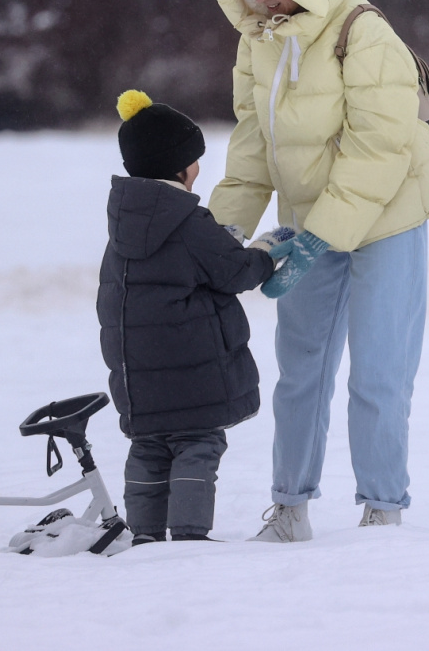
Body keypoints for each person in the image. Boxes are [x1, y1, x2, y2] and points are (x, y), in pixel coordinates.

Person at [201, 0, 429, 541]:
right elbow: (254, 142)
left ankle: (382, 509)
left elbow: (378, 153)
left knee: (379, 373)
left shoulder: (366, 36)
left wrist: (317, 241)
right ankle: (289, 509)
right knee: (300, 370)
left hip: (389, 218)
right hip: (310, 216)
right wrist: (221, 232)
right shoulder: (258, 42)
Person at [97, 89, 279, 544]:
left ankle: (144, 535)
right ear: (179, 166)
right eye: (195, 159)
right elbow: (234, 271)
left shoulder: (123, 225)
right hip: (191, 371)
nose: (198, 166)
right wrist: (265, 252)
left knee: (149, 450)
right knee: (197, 446)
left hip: (137, 374)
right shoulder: (189, 221)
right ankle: (190, 536)